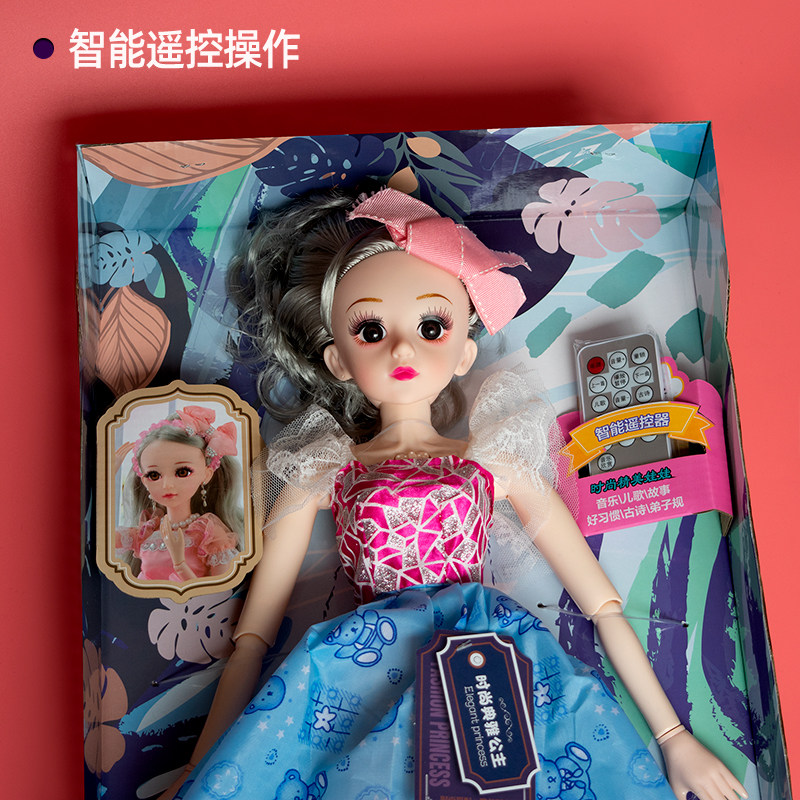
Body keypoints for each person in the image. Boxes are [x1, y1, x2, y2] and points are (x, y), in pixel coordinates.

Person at [160, 187, 746, 800]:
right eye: (370, 330)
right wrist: (201, 775)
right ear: (338, 360)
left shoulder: (494, 460)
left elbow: (602, 606)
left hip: (486, 659)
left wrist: (673, 737)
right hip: (366, 666)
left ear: (465, 351)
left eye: (431, 326)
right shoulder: (322, 470)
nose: (403, 347)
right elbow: (251, 640)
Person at [116, 405, 242, 582]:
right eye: (154, 475)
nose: (167, 485)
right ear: (144, 481)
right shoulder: (146, 532)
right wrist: (106, 477)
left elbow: (220, 591)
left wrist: (180, 565)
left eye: (182, 472)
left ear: (207, 474)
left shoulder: (210, 536)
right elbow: (100, 540)